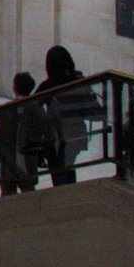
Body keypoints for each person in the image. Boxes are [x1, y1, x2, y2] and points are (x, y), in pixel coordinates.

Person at [36, 43, 99, 187]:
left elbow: (33, 106)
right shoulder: (79, 82)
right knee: (69, 167)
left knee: (58, 172)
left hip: (56, 137)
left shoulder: (48, 85)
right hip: (76, 136)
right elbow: (95, 113)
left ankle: (64, 193)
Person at [0, 71, 48, 195]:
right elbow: (43, 129)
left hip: (9, 158)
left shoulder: (7, 109)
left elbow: (0, 133)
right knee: (28, 190)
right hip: (29, 157)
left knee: (8, 193)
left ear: (15, 87)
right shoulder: (37, 108)